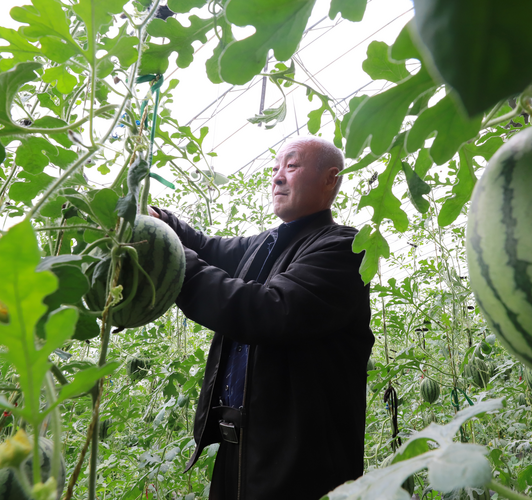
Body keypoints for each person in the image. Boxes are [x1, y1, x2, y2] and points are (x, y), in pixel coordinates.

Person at [148, 136, 374, 499]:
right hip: (240, 451)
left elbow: (268, 311)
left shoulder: (344, 248)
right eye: (274, 169)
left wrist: (169, 262)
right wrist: (160, 220)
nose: (278, 177)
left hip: (299, 463)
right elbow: (205, 246)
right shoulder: (267, 244)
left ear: (331, 178)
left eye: (292, 166)